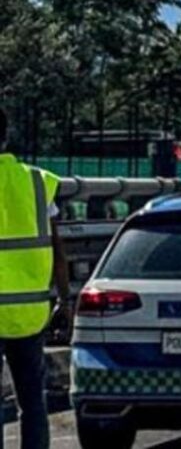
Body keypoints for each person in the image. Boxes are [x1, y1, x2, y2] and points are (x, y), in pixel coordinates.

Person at [0, 107, 72, 449]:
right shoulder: (37, 181)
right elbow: (58, 250)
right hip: (31, 313)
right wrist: (64, 299)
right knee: (32, 403)